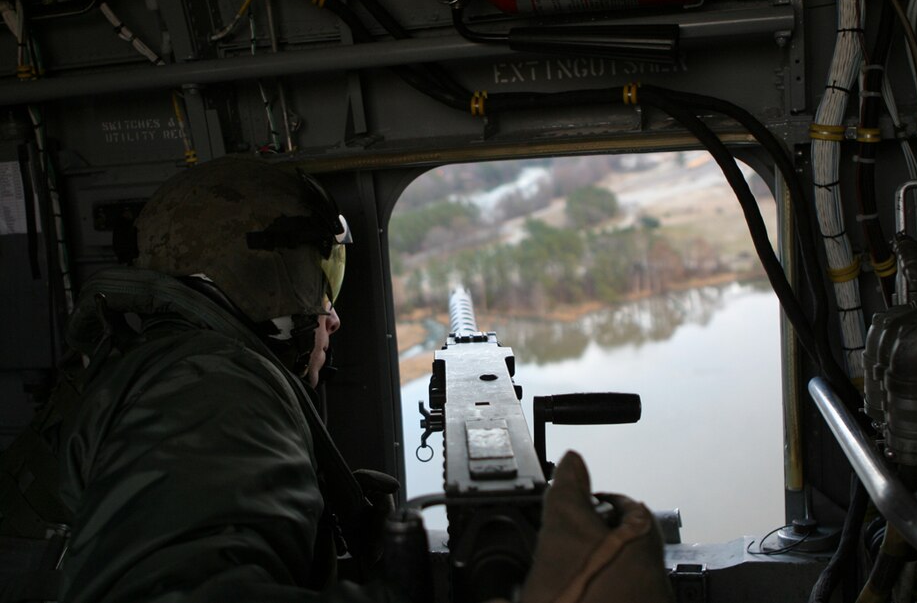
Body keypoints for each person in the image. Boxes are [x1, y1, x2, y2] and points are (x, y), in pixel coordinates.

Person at [0, 156, 672, 603]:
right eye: (325, 285)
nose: (334, 317)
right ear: (267, 279)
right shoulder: (211, 386)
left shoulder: (150, 364)